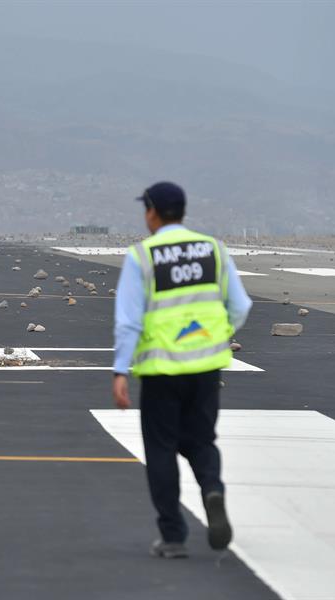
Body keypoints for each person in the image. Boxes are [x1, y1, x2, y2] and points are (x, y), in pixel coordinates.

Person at [112, 181, 252, 559]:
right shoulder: (214, 250)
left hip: (162, 371)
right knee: (201, 440)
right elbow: (240, 306)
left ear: (153, 211)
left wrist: (120, 371)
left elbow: (128, 322)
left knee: (161, 449)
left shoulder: (143, 256)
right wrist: (218, 336)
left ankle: (173, 535)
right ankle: (212, 489)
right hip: (207, 367)